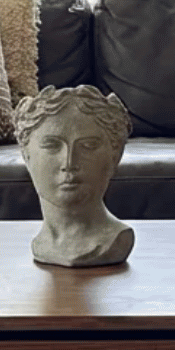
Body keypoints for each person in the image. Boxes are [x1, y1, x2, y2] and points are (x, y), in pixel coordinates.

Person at [13, 85, 135, 267]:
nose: (69, 163)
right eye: (52, 145)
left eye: (88, 146)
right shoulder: (42, 245)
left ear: (116, 155)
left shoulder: (117, 240)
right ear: (26, 154)